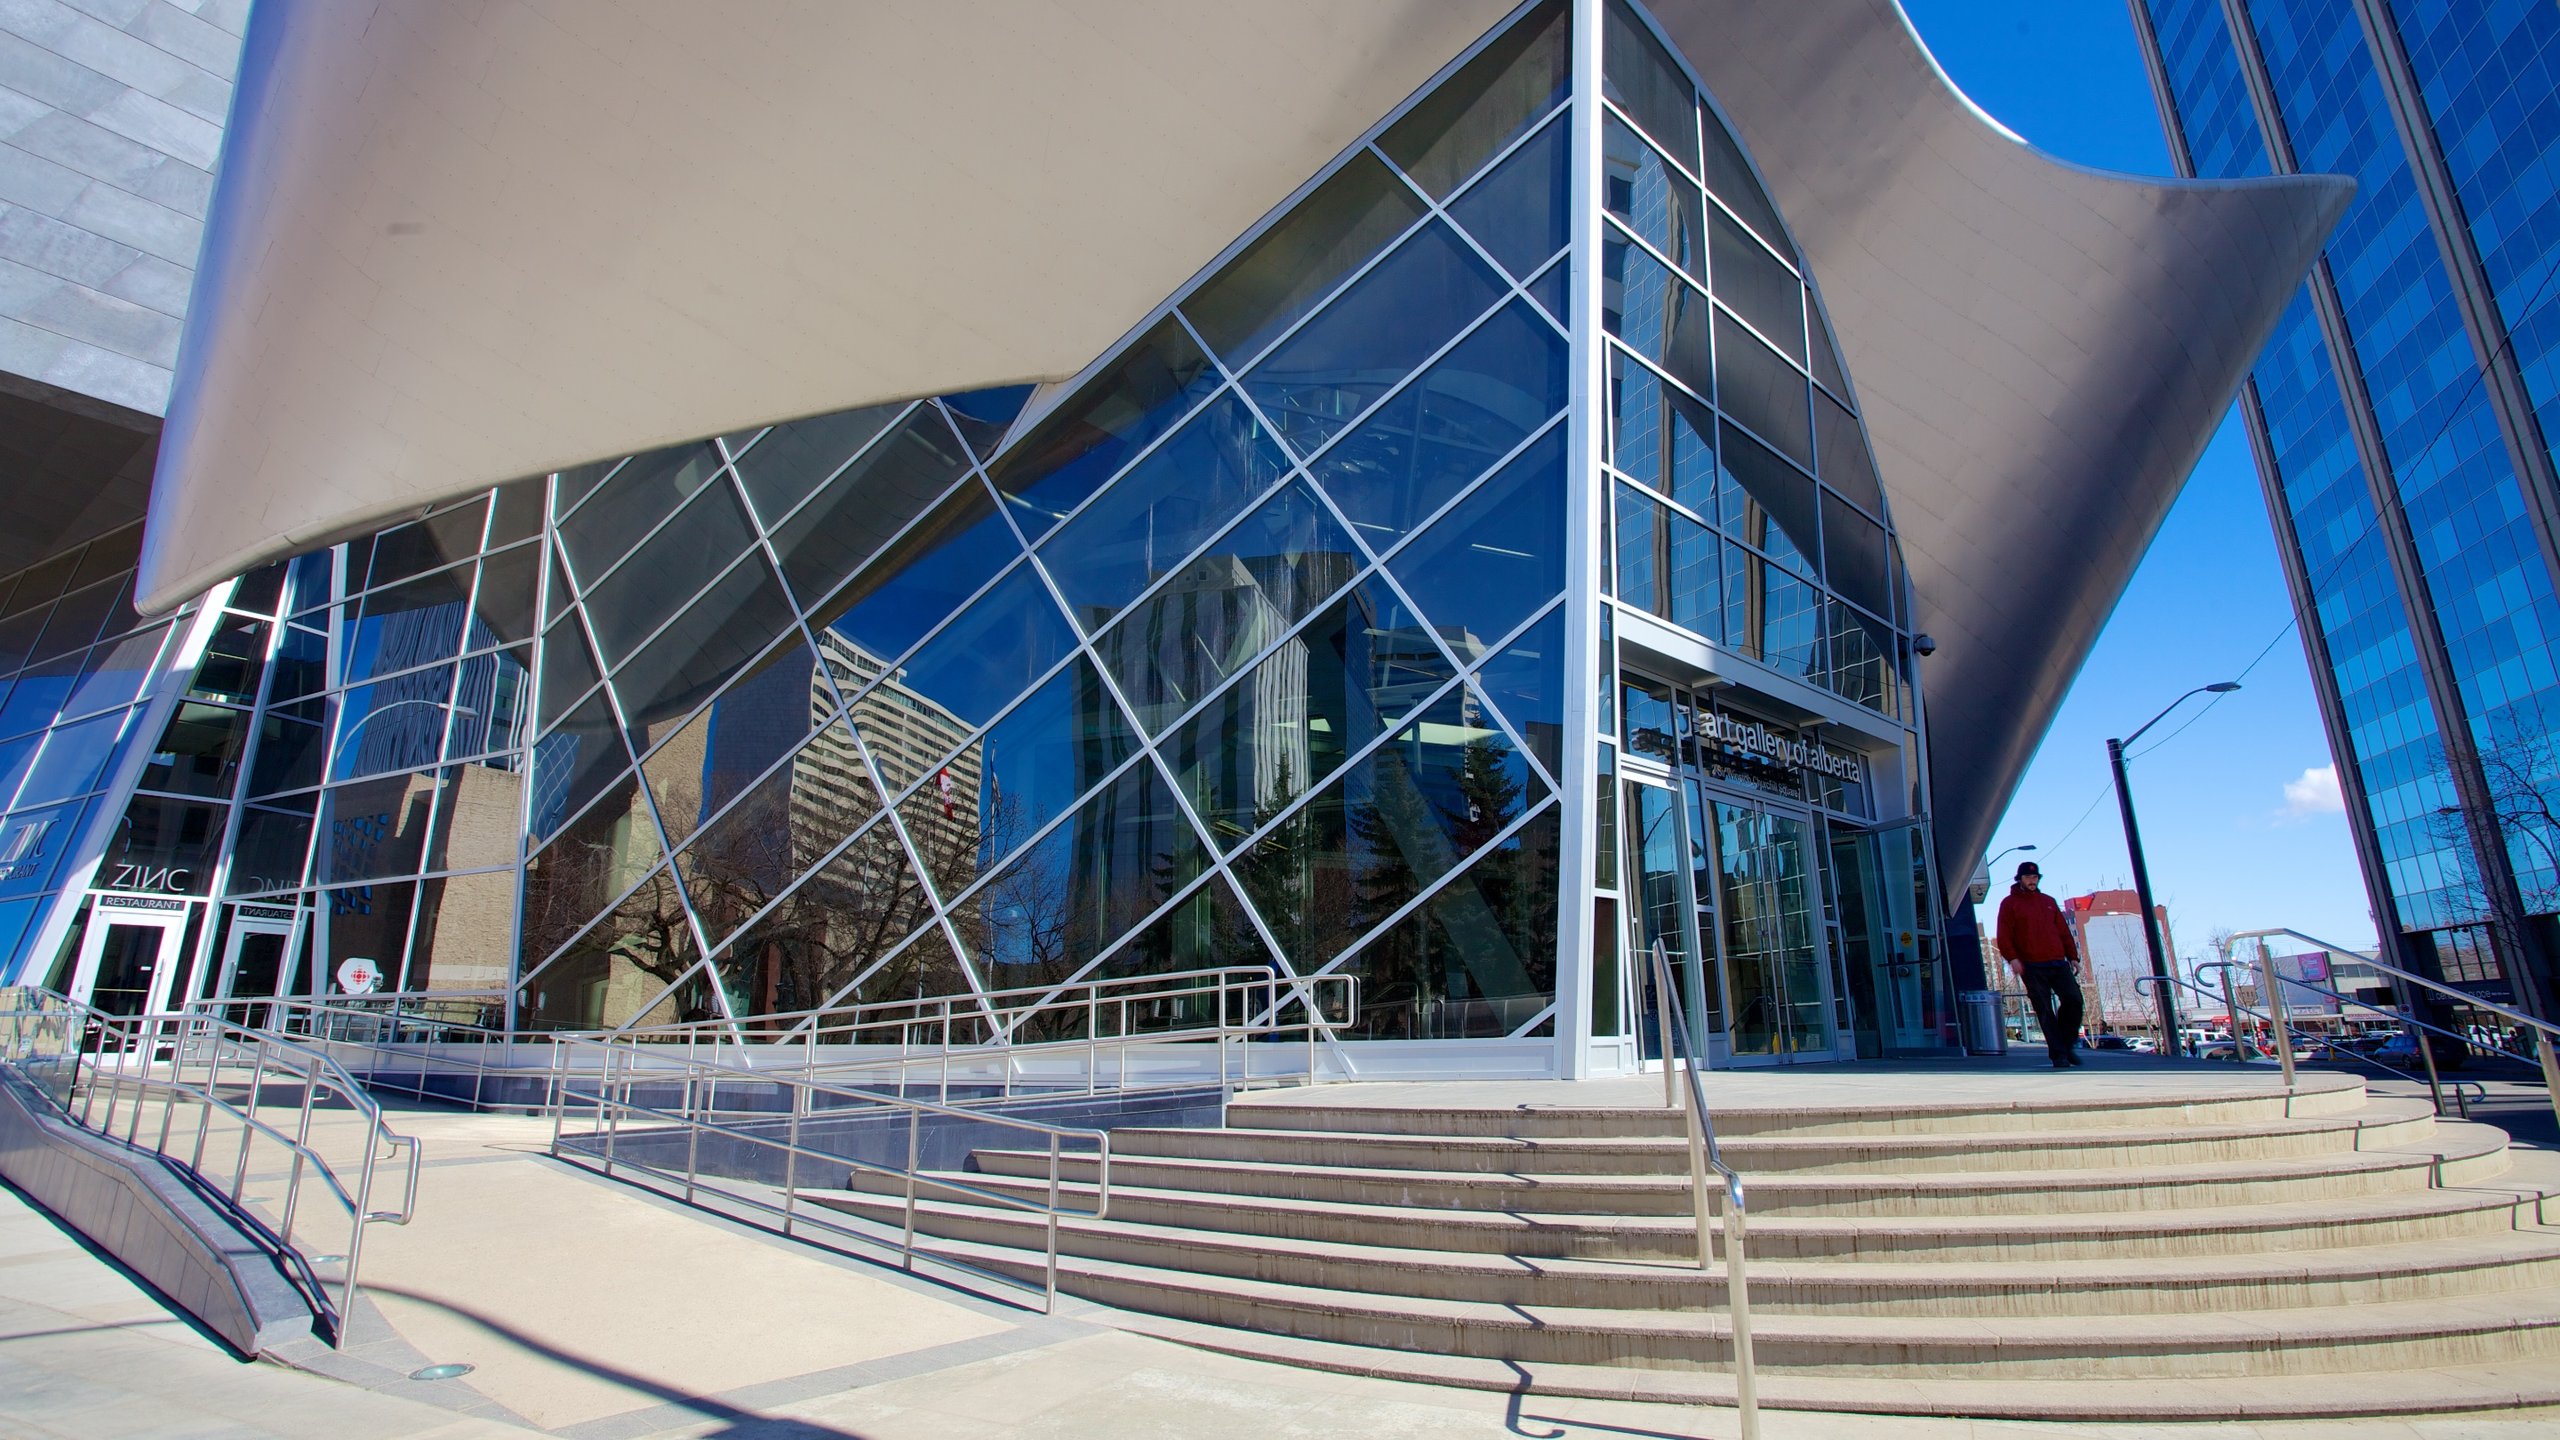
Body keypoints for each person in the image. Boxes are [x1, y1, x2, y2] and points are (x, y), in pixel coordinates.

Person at [1994, 860, 2086, 1070]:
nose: (2032, 881)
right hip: (2031, 964)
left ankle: (2066, 1043)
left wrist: (2073, 956)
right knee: (2044, 1009)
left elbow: (2063, 930)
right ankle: (2059, 1054)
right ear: (2020, 879)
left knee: (2074, 1000)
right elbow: (2004, 934)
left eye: (2035, 877)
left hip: (2057, 960)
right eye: (2028, 877)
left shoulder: (2048, 901)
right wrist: (2013, 958)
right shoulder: (2009, 904)